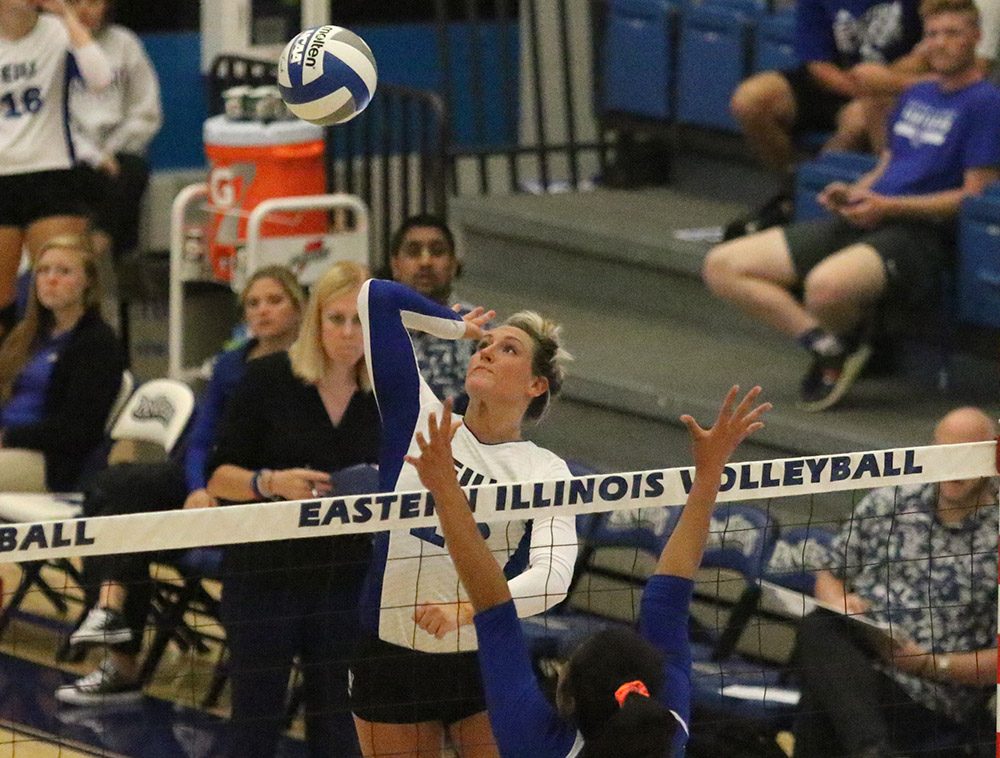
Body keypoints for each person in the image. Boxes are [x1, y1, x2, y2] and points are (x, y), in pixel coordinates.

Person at [403, 386, 769, 758]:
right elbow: (495, 609)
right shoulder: (665, 731)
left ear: (569, 700)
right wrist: (710, 473)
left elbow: (495, 609)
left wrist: (445, 490)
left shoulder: (552, 741)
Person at [703, 0, 1000, 412]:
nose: (941, 44)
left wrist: (889, 206)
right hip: (870, 214)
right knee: (723, 266)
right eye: (932, 34)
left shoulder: (985, 103)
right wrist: (855, 189)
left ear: (976, 38)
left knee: (824, 287)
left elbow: (972, 195)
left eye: (953, 34)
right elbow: (891, 162)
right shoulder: (917, 93)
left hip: (919, 234)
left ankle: (852, 338)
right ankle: (828, 347)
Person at [54, 265, 305, 706]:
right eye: (253, 303)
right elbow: (200, 441)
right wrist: (195, 488)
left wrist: (233, 485)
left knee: (121, 510)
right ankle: (111, 617)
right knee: (113, 489)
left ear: (300, 307)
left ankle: (119, 652)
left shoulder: (310, 367)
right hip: (207, 479)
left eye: (274, 300)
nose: (262, 311)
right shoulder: (230, 364)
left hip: (259, 490)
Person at [350, 278, 578, 758]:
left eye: (508, 349)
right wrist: (458, 328)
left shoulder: (544, 469)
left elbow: (553, 579)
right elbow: (377, 298)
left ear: (536, 384)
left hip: (486, 656)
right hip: (393, 654)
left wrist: (473, 610)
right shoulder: (420, 417)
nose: (487, 352)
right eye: (485, 346)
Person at [207, 261, 380, 758]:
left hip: (344, 579)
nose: (349, 333)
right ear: (316, 320)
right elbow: (219, 475)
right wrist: (270, 483)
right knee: (255, 726)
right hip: (265, 575)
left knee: (339, 731)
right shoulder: (266, 379)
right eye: (337, 319)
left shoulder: (386, 395)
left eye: (361, 322)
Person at [792, 406, 998, 758]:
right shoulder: (892, 500)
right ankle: (872, 750)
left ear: (993, 455)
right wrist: (843, 603)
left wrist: (928, 663)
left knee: (822, 703)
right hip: (861, 660)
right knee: (820, 624)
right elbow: (828, 573)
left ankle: (870, 748)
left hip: (931, 692)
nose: (954, 466)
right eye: (944, 453)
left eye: (966, 455)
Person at [726, 0, 923, 238]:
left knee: (858, 119)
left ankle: (811, 204)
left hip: (891, 87)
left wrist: (881, 85)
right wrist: (861, 87)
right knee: (750, 100)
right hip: (841, 82)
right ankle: (792, 189)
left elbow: (925, 55)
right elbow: (818, 65)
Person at [0, 0, 112, 338]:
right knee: (3, 300)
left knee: (64, 291)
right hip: (2, 175)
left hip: (52, 173)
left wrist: (66, 15)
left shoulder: (57, 30)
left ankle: (76, 372)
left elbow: (101, 78)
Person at [0, 234, 122, 492]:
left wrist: (7, 437)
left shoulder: (97, 343)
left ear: (87, 282)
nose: (51, 280)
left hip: (51, 462)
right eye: (43, 271)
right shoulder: (27, 336)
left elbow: (76, 430)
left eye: (64, 271)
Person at [68, 0, 162, 264]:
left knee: (133, 171)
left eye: (94, 2)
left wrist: (111, 151)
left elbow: (146, 111)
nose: (85, 9)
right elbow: (55, 119)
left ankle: (103, 250)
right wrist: (94, 156)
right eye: (76, 2)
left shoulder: (125, 43)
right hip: (71, 153)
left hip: (119, 150)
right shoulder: (54, 44)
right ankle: (95, 257)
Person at [388, 214, 475, 404]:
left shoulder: (479, 329)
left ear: (453, 264)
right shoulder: (376, 326)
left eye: (436, 251)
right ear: (395, 266)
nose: (425, 261)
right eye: (413, 252)